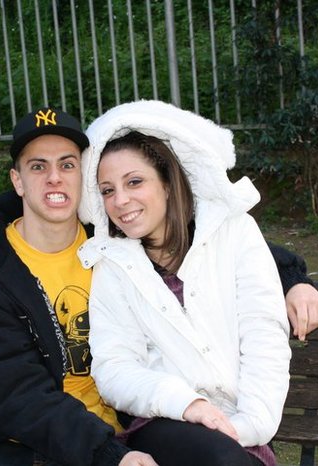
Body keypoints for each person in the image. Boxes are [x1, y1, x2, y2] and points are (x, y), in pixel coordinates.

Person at [0, 105, 318, 466]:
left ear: (83, 177)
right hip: (11, 435)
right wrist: (108, 455)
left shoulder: (109, 237)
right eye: (38, 166)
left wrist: (293, 280)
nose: (54, 178)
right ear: (17, 180)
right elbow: (17, 394)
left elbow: (212, 241)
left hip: (115, 426)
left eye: (67, 165)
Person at [77, 100, 294, 466]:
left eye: (134, 182)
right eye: (107, 190)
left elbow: (264, 333)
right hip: (162, 420)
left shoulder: (234, 232)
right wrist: (186, 403)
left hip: (241, 427)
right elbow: (114, 367)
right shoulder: (111, 264)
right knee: (221, 459)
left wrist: (249, 425)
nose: (120, 200)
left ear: (166, 182)